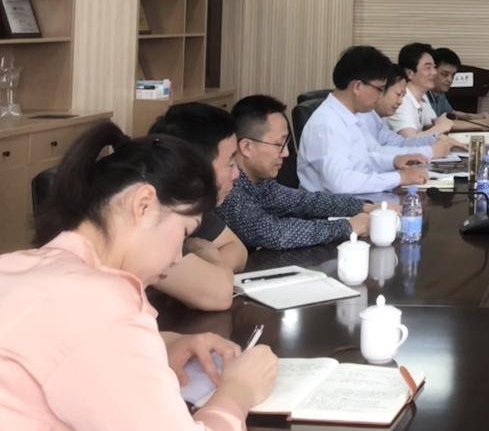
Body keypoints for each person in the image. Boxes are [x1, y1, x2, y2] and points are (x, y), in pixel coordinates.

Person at [0, 122, 278, 429]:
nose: (177, 258)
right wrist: (238, 391)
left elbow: (60, 349)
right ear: (143, 204)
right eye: (184, 231)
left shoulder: (15, 265)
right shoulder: (100, 306)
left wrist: (164, 344)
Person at [220, 95, 422, 250]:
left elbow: (304, 201)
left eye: (286, 143)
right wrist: (348, 227)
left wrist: (365, 207)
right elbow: (275, 234)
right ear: (246, 147)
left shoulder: (259, 182)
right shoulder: (228, 188)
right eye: (278, 144)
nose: (286, 153)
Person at [146, 103, 249, 310]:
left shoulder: (188, 201)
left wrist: (199, 274)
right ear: (196, 167)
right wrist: (207, 256)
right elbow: (219, 293)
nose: (237, 174)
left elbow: (237, 250)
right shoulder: (152, 212)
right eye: (230, 164)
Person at [298, 45, 432, 195]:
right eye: (379, 89)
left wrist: (394, 161)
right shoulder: (327, 124)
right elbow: (341, 183)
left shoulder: (348, 115)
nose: (380, 96)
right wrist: (399, 177)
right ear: (358, 86)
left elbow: (360, 162)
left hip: (355, 199)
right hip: (334, 207)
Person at [358, 69, 461, 160]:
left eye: (403, 96)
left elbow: (400, 142)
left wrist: (434, 139)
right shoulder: (361, 116)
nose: (400, 102)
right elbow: (374, 153)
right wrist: (430, 151)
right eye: (398, 94)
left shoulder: (376, 118)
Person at [389, 42, 453, 138]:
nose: (434, 72)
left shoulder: (422, 96)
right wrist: (440, 127)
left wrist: (440, 125)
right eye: (428, 67)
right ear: (409, 73)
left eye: (434, 67)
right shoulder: (401, 100)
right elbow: (410, 139)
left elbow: (431, 125)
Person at [430, 47, 489, 132]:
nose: (450, 80)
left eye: (453, 75)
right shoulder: (423, 95)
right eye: (445, 74)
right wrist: (481, 124)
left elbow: (451, 113)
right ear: (431, 71)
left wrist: (475, 117)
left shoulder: (439, 93)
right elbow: (435, 125)